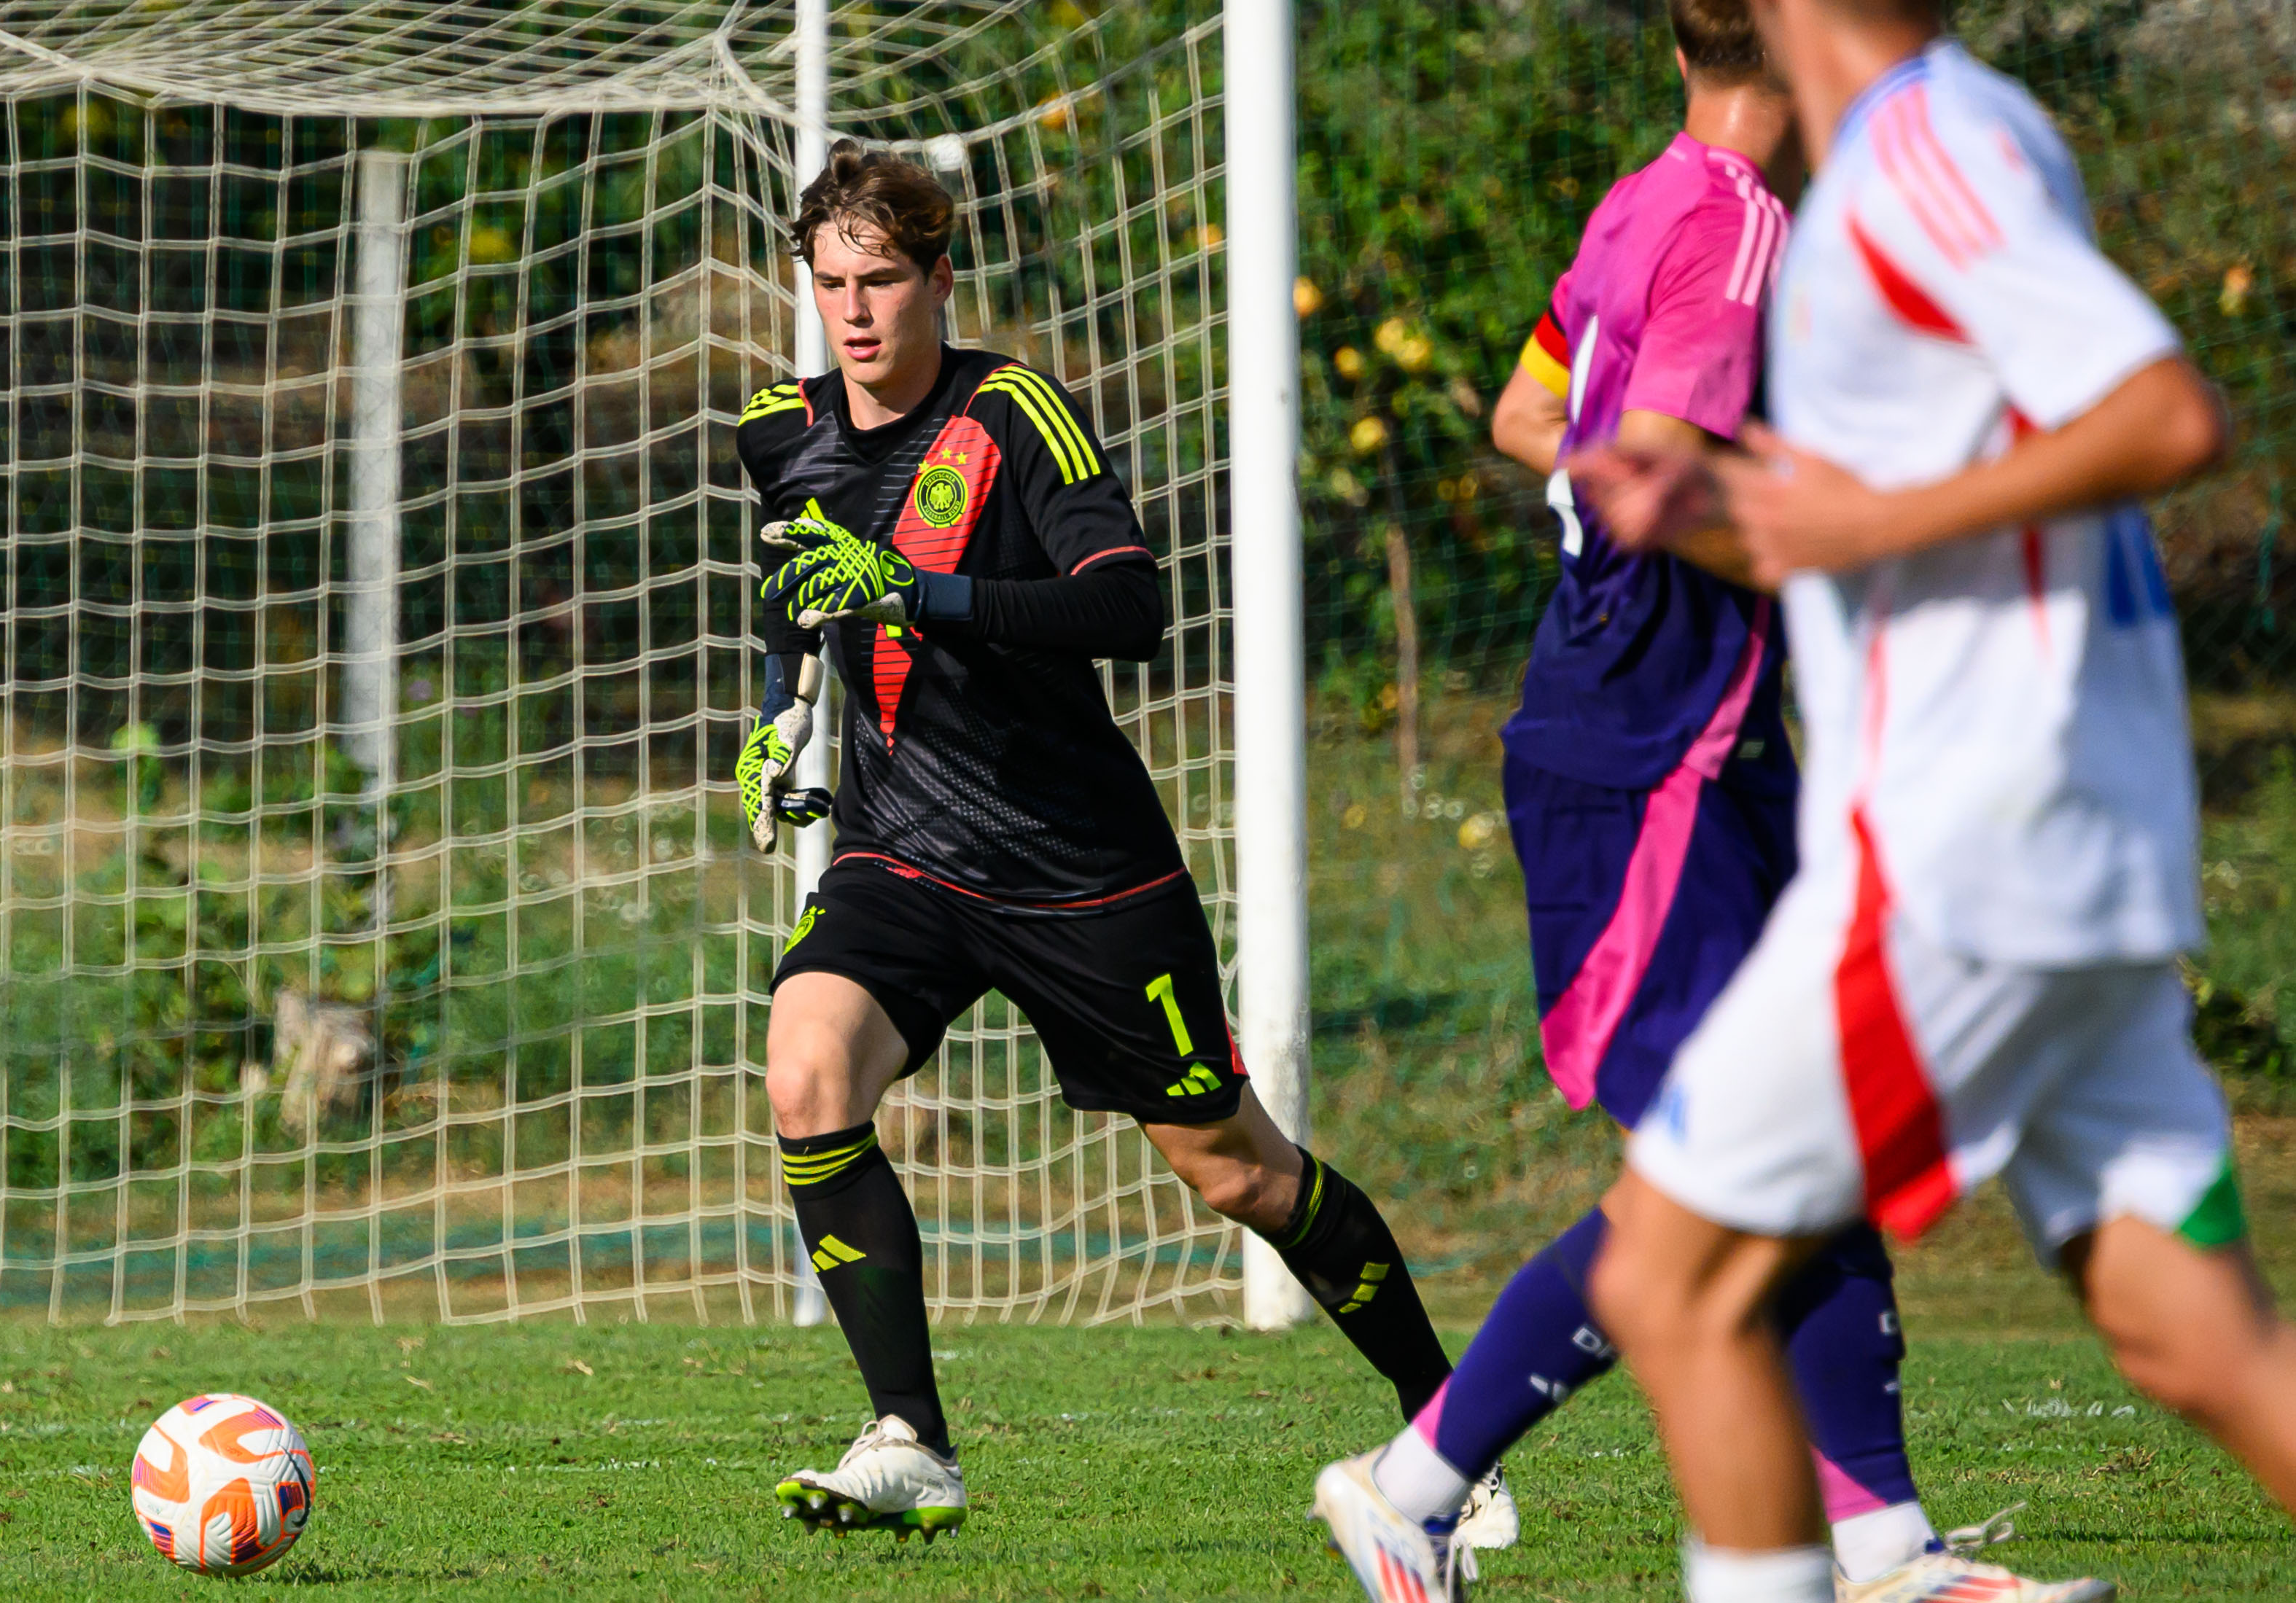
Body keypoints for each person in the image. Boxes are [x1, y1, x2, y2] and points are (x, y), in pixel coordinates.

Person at [1315, 7, 2106, 1600]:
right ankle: (1409, 1486)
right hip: (1645, 756)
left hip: (1688, 746)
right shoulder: (1739, 232)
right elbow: (1655, 470)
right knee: (1723, 1174)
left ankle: (1881, 1542)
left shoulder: (1641, 199)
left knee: (1811, 1123)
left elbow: (1530, 417)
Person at [1563, 4, 2296, 1601]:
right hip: (2054, 847)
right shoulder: (1940, 141)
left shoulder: (1916, 151)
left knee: (1671, 1281)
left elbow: (2160, 411)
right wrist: (1725, 515)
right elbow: (1906, 527)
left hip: (1968, 847)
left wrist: (1854, 517)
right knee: (2196, 1338)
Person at [733, 141, 1465, 1542]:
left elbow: (1130, 609)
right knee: (806, 1065)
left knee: (1235, 1168)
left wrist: (924, 596)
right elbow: (799, 575)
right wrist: (785, 714)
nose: (856, 310)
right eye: (830, 282)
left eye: (882, 278)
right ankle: (913, 1441)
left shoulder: (1013, 414)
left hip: (1079, 869)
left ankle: (1453, 1441)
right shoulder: (780, 425)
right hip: (901, 852)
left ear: (941, 277)